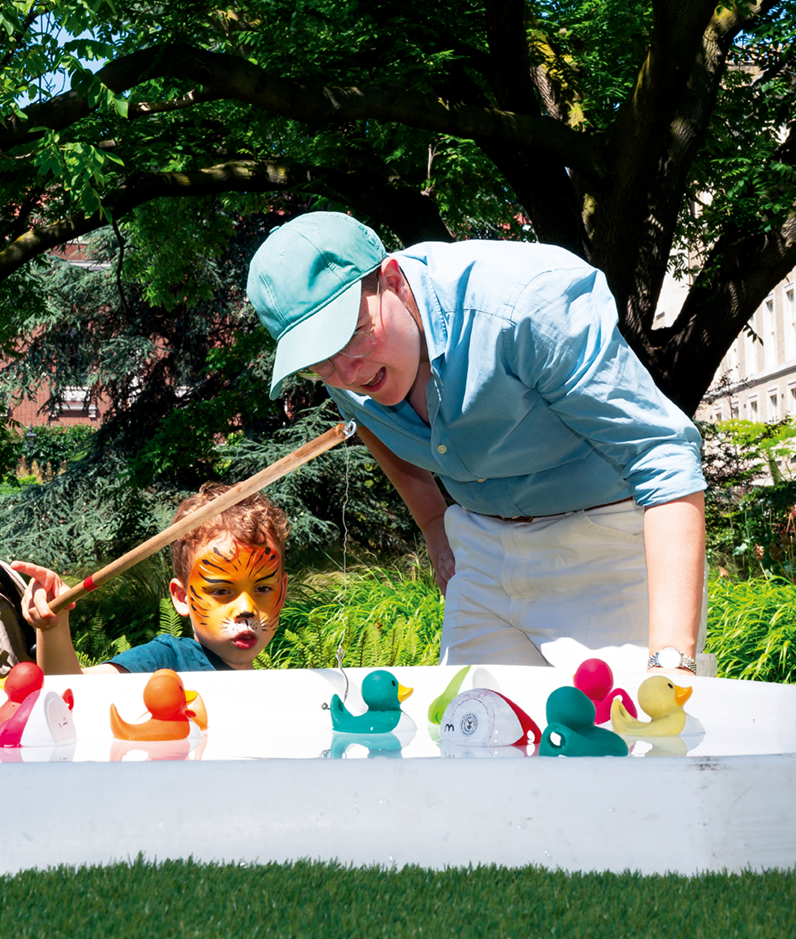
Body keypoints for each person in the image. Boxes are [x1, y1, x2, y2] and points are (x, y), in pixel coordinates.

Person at [246, 212, 708, 679]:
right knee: (469, 741)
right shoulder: (345, 367)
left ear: (391, 279)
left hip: (608, 550)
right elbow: (369, 426)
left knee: (633, 740)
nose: (347, 375)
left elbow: (661, 453)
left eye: (351, 335)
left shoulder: (527, 305)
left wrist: (671, 659)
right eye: (320, 361)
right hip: (481, 554)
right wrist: (433, 525)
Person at [16, 482, 289, 675]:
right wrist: (52, 626)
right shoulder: (166, 660)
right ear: (182, 598)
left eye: (263, 588)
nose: (246, 608)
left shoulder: (279, 686)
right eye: (221, 591)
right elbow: (72, 694)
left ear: (283, 591)